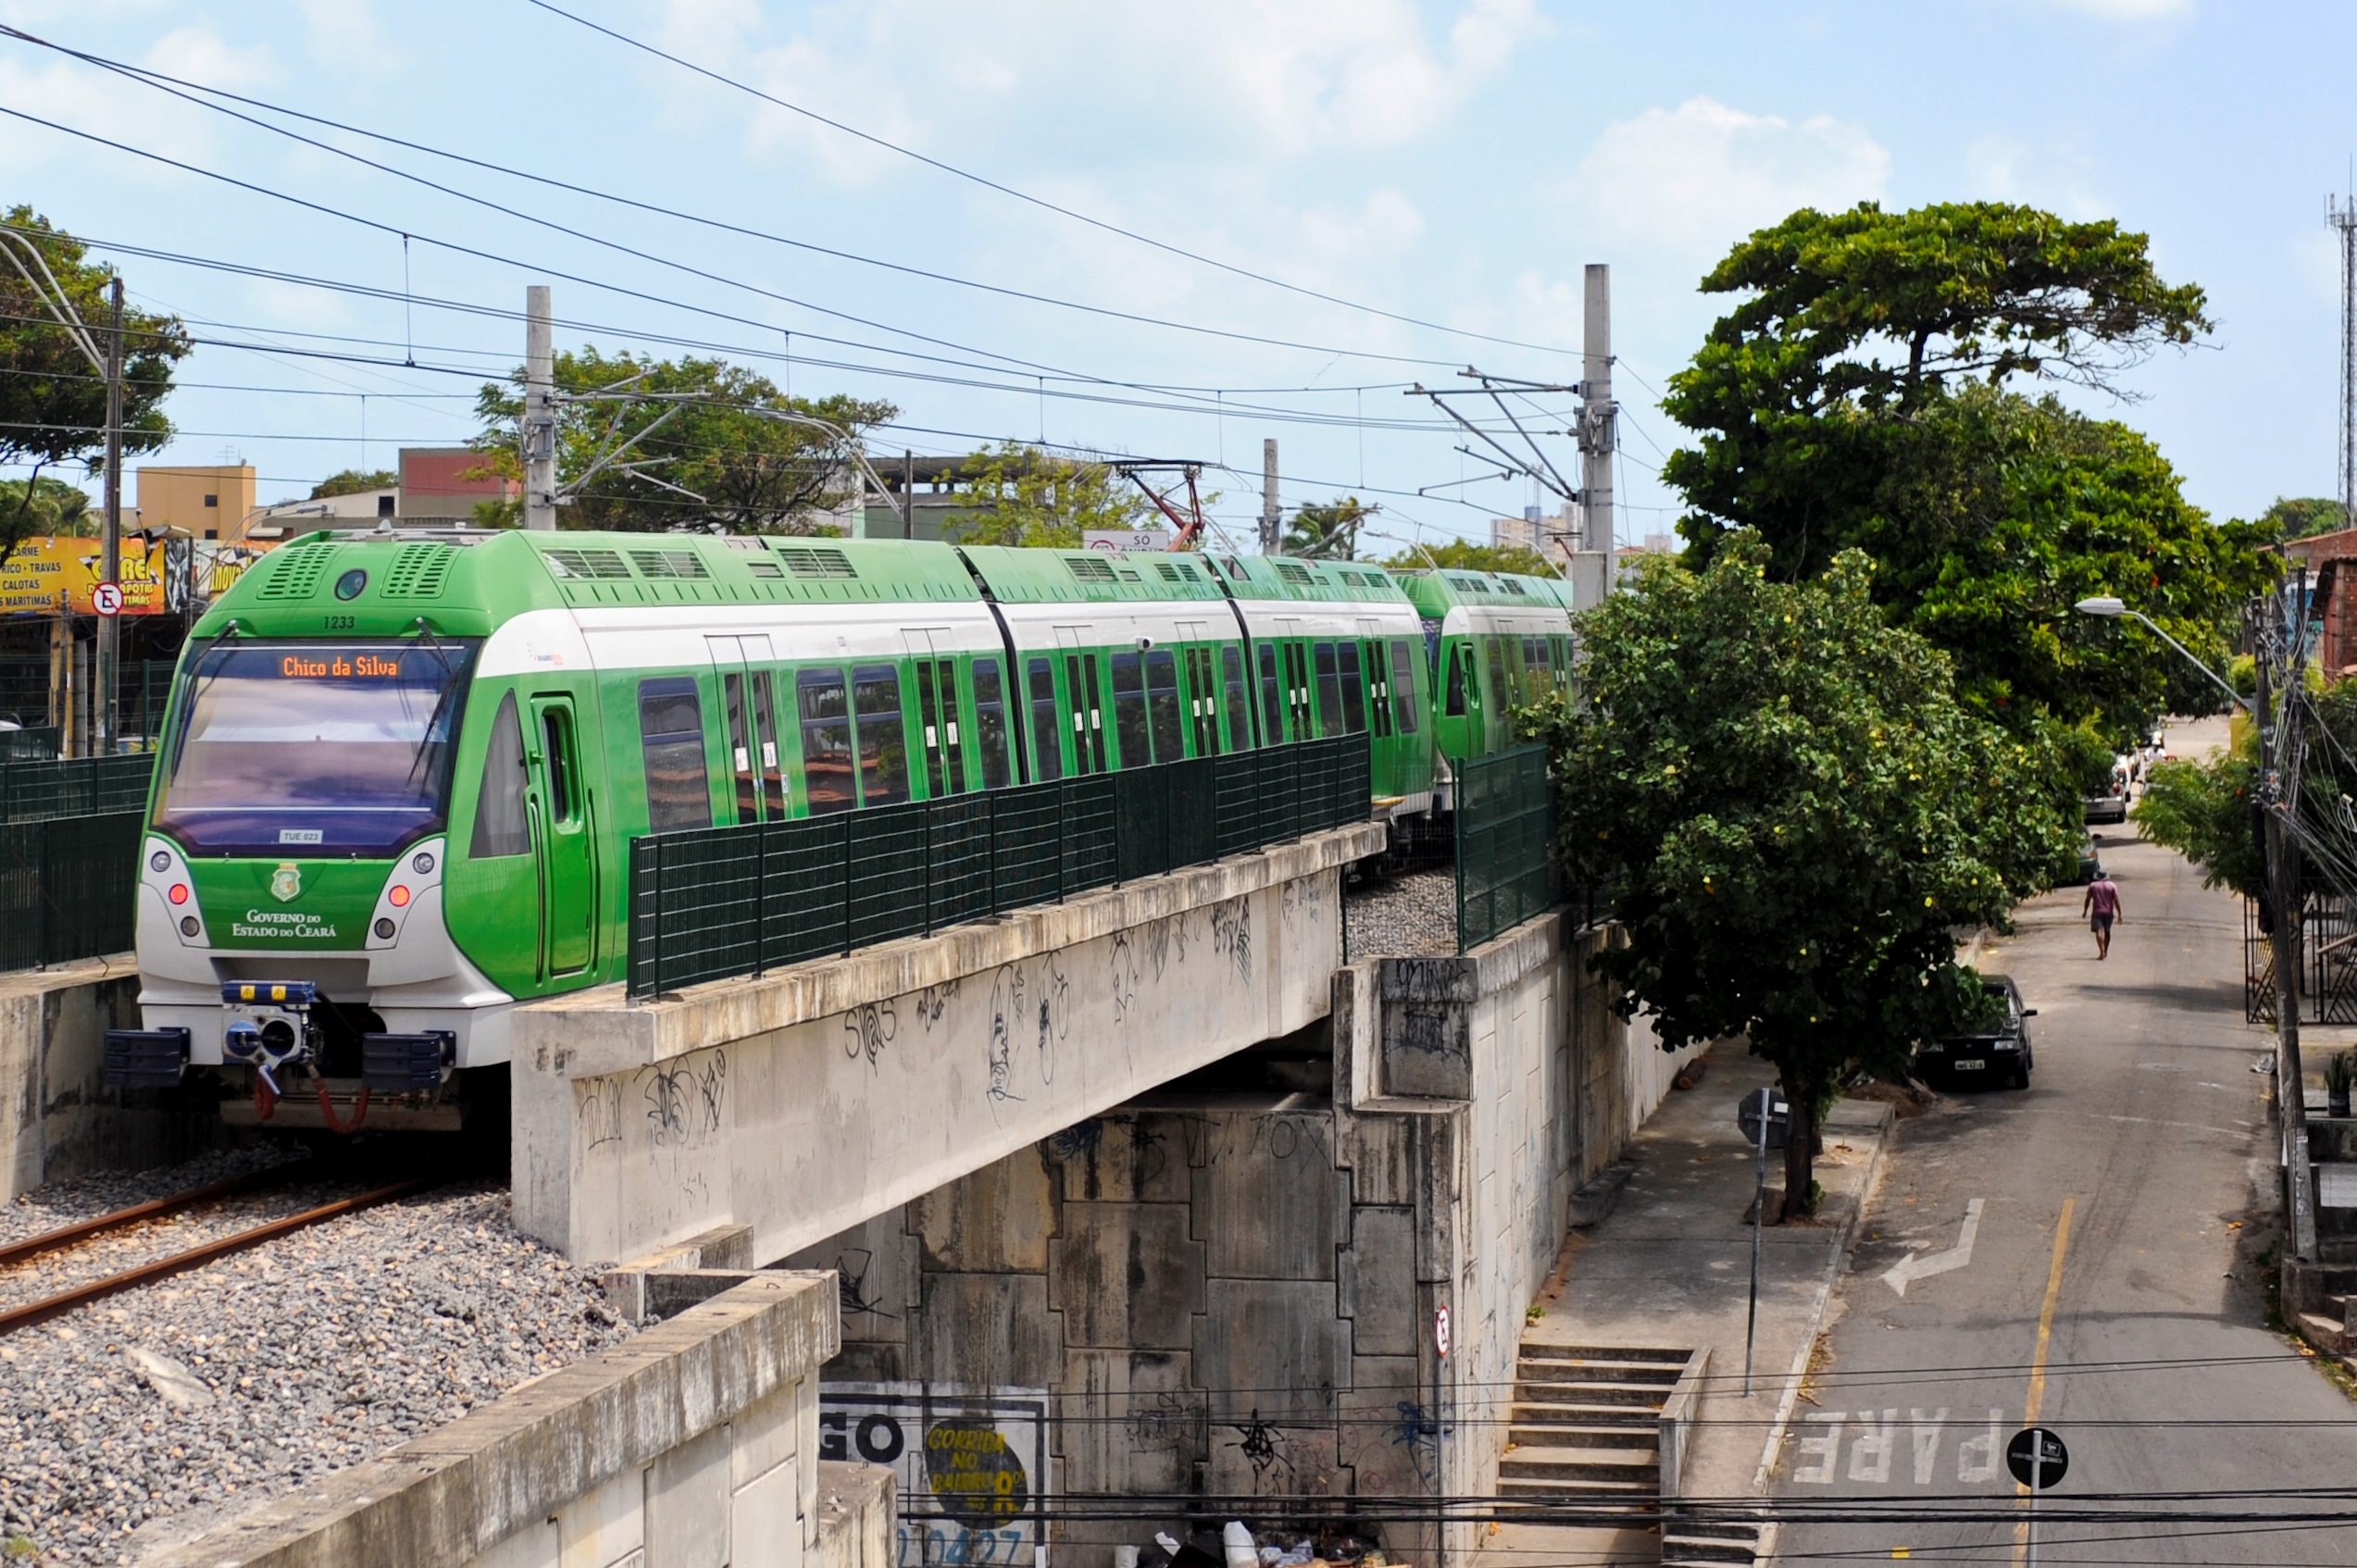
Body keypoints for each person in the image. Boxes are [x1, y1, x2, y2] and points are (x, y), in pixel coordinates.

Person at [2082, 871, 2124, 960]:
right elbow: (2116, 900)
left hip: (2097, 912)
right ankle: (2105, 951)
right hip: (2109, 912)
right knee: (2107, 932)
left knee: (2099, 931)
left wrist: (2085, 911)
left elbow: (2088, 899)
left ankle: (2102, 951)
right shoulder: (2112, 886)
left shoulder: (2093, 886)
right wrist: (2120, 914)